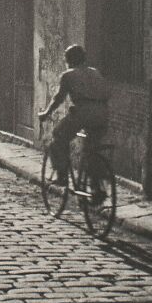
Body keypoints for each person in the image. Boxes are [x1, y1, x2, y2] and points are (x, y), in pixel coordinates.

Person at [38, 45, 110, 197]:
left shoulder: (68, 75)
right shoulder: (95, 72)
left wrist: (45, 113)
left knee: (58, 135)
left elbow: (58, 98)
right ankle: (96, 185)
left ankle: (62, 176)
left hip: (83, 112)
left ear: (69, 60)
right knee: (91, 148)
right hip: (102, 114)